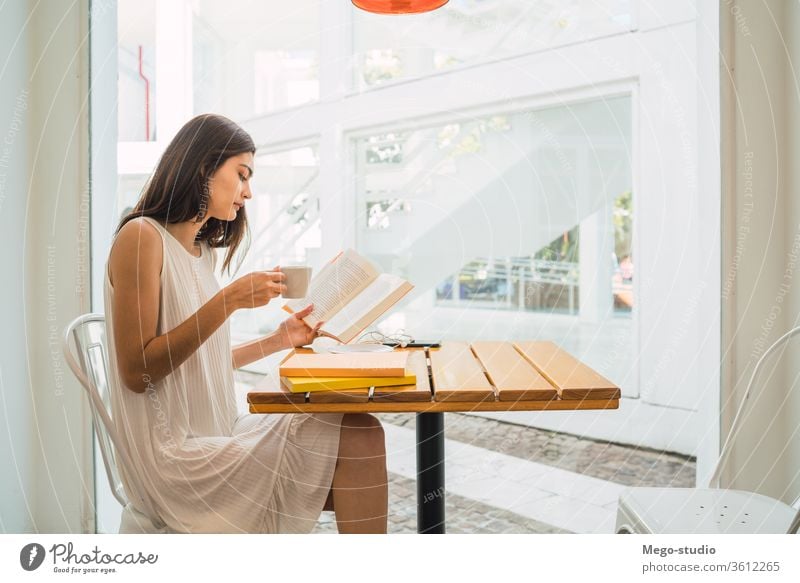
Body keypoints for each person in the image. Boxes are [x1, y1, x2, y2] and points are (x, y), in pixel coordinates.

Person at [104, 113, 388, 534]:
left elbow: (197, 362)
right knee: (358, 449)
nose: (248, 193)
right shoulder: (141, 238)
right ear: (203, 169)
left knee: (362, 431)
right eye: (241, 175)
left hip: (221, 431)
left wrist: (278, 339)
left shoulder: (203, 254)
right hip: (176, 458)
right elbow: (137, 372)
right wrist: (229, 300)